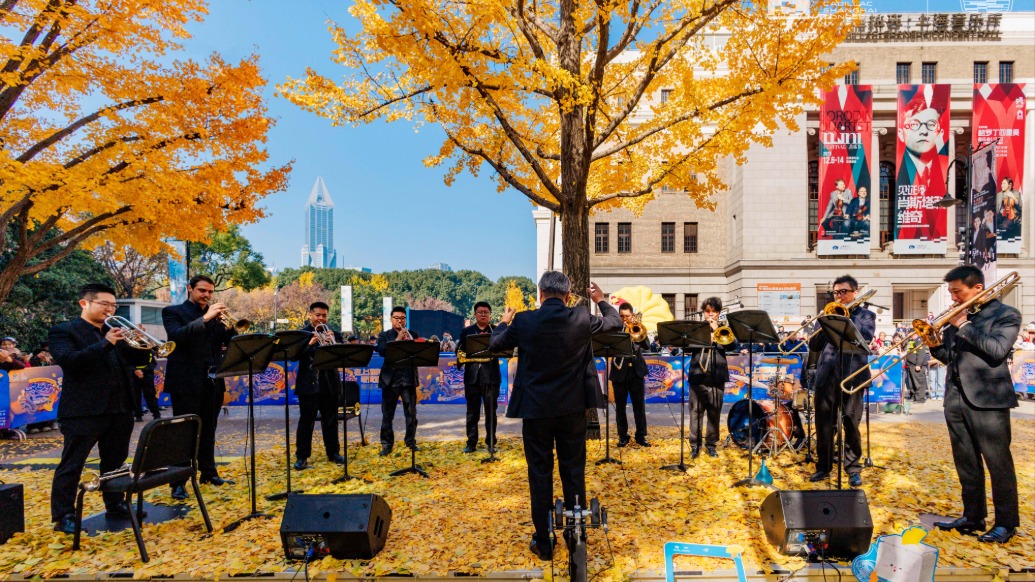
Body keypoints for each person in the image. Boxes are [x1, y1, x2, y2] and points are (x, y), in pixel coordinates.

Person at [490, 273, 621, 561]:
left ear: (540, 294)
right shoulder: (581, 317)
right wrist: (601, 300)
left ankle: (544, 540)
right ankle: (575, 534)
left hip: (536, 409)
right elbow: (614, 322)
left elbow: (495, 344)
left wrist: (503, 321)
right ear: (567, 295)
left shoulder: (523, 320)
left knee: (539, 473)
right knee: (573, 470)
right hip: (572, 408)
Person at [47, 284, 147, 533]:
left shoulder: (116, 332)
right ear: (85, 303)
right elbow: (70, 361)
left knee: (115, 462)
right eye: (104, 304)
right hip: (83, 410)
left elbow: (138, 362)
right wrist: (105, 343)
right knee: (72, 464)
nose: (110, 309)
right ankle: (64, 515)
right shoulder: (64, 331)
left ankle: (115, 503)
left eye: (113, 305)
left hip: (120, 407)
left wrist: (141, 344)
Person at [932, 266, 1020, 544]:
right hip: (955, 398)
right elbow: (951, 358)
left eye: (957, 292)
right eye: (951, 292)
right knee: (966, 462)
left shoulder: (1006, 314)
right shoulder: (959, 317)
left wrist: (963, 326)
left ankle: (1006, 523)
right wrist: (933, 344)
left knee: (998, 464)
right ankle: (973, 516)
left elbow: (997, 351)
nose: (953, 298)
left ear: (977, 288)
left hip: (989, 399)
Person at [162, 275, 236, 500]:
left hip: (212, 379)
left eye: (210, 292)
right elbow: (177, 336)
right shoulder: (173, 312)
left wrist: (229, 327)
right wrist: (206, 317)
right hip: (185, 381)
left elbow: (230, 341)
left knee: (209, 429)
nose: (207, 295)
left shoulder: (215, 317)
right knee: (184, 432)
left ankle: (209, 473)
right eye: (202, 290)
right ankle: (178, 482)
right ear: (190, 289)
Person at [807, 275, 874, 487]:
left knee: (851, 423)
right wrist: (824, 322)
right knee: (824, 424)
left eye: (843, 292)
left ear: (855, 292)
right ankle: (823, 466)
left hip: (853, 375)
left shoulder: (866, 315)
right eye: (836, 292)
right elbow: (814, 345)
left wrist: (846, 318)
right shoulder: (827, 314)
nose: (839, 296)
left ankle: (853, 468)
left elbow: (865, 338)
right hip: (827, 375)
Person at [291, 302, 345, 470]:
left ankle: (333, 453)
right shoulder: (302, 334)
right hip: (309, 383)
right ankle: (302, 456)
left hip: (330, 383)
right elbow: (294, 356)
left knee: (331, 420)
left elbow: (342, 356)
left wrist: (333, 344)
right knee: (306, 421)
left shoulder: (334, 333)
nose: (321, 318)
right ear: (310, 315)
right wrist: (309, 344)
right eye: (318, 315)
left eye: (324, 316)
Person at [687, 297, 737, 458]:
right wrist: (703, 340)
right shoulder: (696, 329)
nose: (710, 314)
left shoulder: (724, 329)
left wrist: (717, 330)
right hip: (697, 375)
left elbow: (733, 346)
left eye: (714, 312)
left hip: (717, 375)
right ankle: (695, 445)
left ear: (719, 313)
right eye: (708, 311)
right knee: (696, 412)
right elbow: (686, 347)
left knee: (714, 412)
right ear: (703, 312)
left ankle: (711, 445)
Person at [375, 306, 422, 456]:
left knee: (411, 414)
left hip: (408, 378)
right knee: (387, 415)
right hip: (390, 379)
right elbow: (383, 351)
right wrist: (398, 339)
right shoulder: (384, 335)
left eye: (402, 318)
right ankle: (387, 445)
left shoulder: (413, 334)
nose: (400, 321)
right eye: (396, 318)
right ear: (391, 319)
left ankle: (410, 441)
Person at [457, 302, 501, 453]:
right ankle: (471, 443)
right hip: (472, 377)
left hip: (491, 377)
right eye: (480, 312)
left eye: (486, 312)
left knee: (491, 412)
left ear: (490, 315)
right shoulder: (466, 331)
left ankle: (491, 443)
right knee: (472, 412)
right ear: (475, 314)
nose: (483, 315)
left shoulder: (496, 330)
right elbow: (459, 350)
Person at [611, 303, 650, 448]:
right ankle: (623, 436)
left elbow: (647, 346)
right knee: (620, 407)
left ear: (632, 315)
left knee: (639, 406)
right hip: (619, 371)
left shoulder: (638, 326)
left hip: (636, 372)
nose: (624, 319)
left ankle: (641, 436)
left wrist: (637, 330)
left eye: (627, 316)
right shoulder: (615, 329)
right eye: (622, 316)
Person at [132, 348, 161, 421]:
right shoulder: (130, 349)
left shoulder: (149, 350)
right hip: (134, 375)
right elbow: (127, 362)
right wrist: (134, 370)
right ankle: (138, 415)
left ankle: (156, 414)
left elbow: (153, 363)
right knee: (135, 396)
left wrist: (145, 369)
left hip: (148, 375)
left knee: (151, 395)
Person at [903, 338, 929, 403]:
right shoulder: (911, 340)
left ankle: (920, 398)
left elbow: (921, 353)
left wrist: (918, 364)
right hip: (911, 364)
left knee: (918, 382)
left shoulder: (919, 340)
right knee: (912, 383)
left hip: (916, 364)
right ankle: (914, 396)